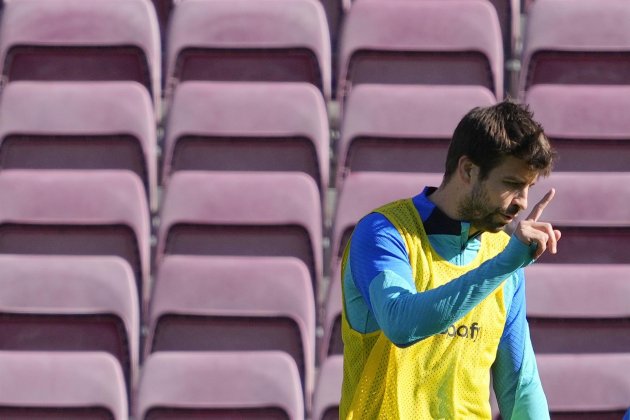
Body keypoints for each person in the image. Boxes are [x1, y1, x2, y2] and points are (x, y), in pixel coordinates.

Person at [339, 100, 561, 419]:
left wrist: (506, 262)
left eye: (529, 187)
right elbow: (401, 324)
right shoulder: (384, 233)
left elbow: (519, 388)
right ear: (468, 170)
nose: (522, 203)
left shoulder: (504, 254)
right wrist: (505, 264)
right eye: (512, 185)